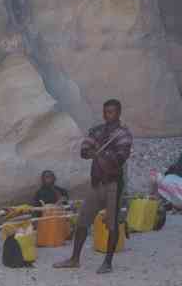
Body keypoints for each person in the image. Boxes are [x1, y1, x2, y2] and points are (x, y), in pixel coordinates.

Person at [55, 99, 132, 275]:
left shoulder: (124, 134)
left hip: (113, 184)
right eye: (105, 112)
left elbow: (119, 159)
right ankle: (74, 259)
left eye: (111, 112)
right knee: (82, 221)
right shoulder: (98, 130)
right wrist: (100, 152)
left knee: (112, 224)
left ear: (118, 113)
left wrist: (98, 152)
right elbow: (84, 151)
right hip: (97, 183)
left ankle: (108, 262)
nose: (107, 115)